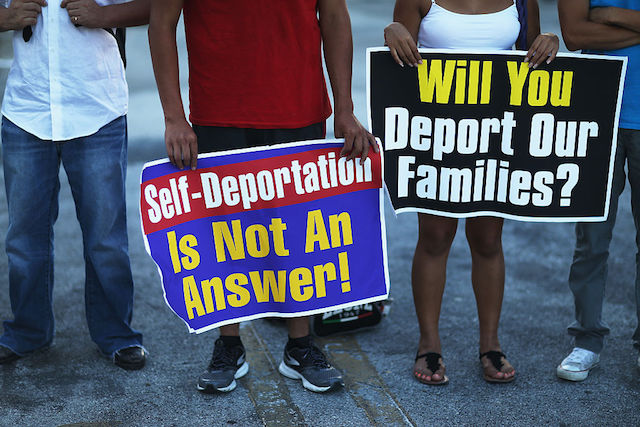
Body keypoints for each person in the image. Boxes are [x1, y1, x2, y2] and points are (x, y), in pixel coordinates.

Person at [148, 0, 377, 393]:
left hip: (299, 107)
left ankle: (300, 346)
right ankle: (229, 345)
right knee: (224, 235)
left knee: (300, 234)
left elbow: (334, 15)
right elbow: (161, 22)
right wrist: (174, 117)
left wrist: (345, 107)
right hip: (219, 109)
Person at [384, 0, 558, 385]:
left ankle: (490, 344)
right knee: (435, 237)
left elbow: (533, 59)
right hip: (437, 134)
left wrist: (548, 41)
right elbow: (396, 64)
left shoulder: (521, 0)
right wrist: (392, 32)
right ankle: (428, 344)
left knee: (487, 239)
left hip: (495, 134)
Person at [0, 0, 150, 370]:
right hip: (27, 110)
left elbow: (157, 7)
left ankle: (116, 334)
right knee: (24, 239)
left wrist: (104, 16)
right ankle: (28, 331)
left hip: (97, 108)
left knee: (105, 239)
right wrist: (5, 18)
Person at [556, 0, 640, 382]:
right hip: (597, 114)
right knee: (591, 239)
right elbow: (575, 34)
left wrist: (611, 15)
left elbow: (595, 24)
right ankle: (587, 341)